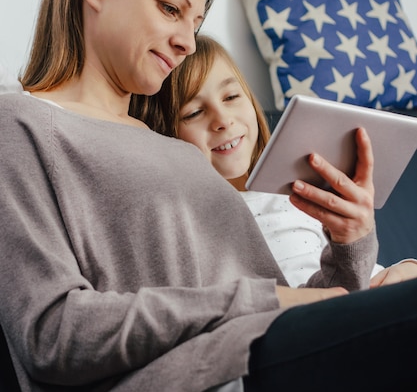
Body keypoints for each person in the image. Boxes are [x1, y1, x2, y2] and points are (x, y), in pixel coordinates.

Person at [1, 0, 417, 392]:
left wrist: (349, 242)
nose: (184, 42)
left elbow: (295, 297)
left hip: (258, 357)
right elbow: (54, 334)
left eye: (193, 25)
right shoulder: (20, 125)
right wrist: (262, 301)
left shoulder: (181, 152)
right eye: (170, 9)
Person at [135, 34, 397, 288]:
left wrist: (403, 269)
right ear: (165, 133)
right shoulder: (188, 224)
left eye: (231, 97)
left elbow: (358, 269)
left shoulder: (298, 191)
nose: (223, 120)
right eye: (194, 113)